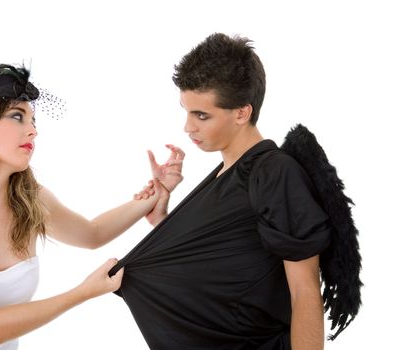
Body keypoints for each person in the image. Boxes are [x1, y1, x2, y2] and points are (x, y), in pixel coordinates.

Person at [0, 63, 184, 349]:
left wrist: (155, 194)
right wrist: (82, 293)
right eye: (17, 117)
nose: (33, 132)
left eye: (33, 121)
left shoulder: (28, 199)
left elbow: (92, 233)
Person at [111, 33, 340, 350]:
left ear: (242, 113)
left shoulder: (274, 173)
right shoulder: (225, 173)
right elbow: (224, 267)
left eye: (201, 115)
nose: (188, 127)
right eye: (186, 111)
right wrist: (162, 219)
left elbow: (305, 290)